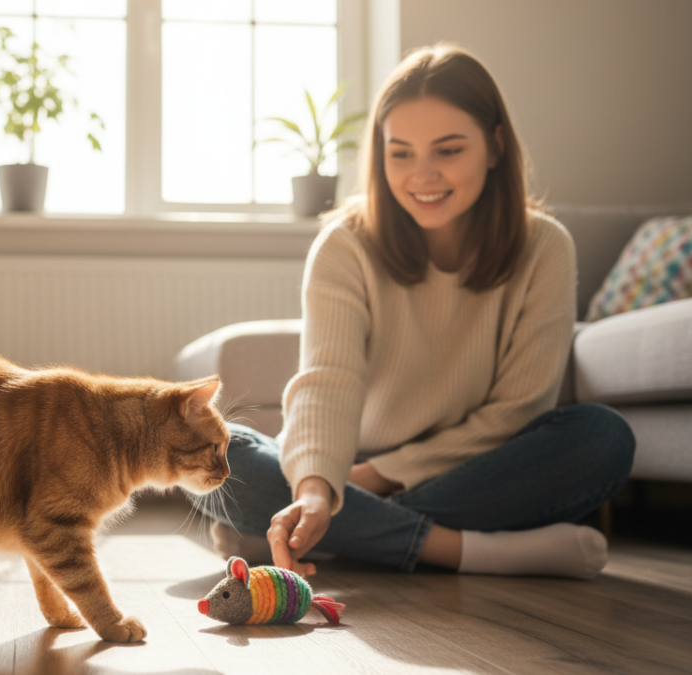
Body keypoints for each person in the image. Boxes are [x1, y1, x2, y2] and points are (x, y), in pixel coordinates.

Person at [196, 44, 635, 579]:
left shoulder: (546, 247)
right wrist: (315, 490)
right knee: (226, 455)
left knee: (603, 438)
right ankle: (465, 551)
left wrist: (367, 482)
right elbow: (326, 381)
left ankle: (314, 535)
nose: (422, 176)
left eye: (448, 150)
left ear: (495, 146)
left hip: (461, 468)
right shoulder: (346, 244)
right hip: (335, 464)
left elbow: (518, 410)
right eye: (400, 152)